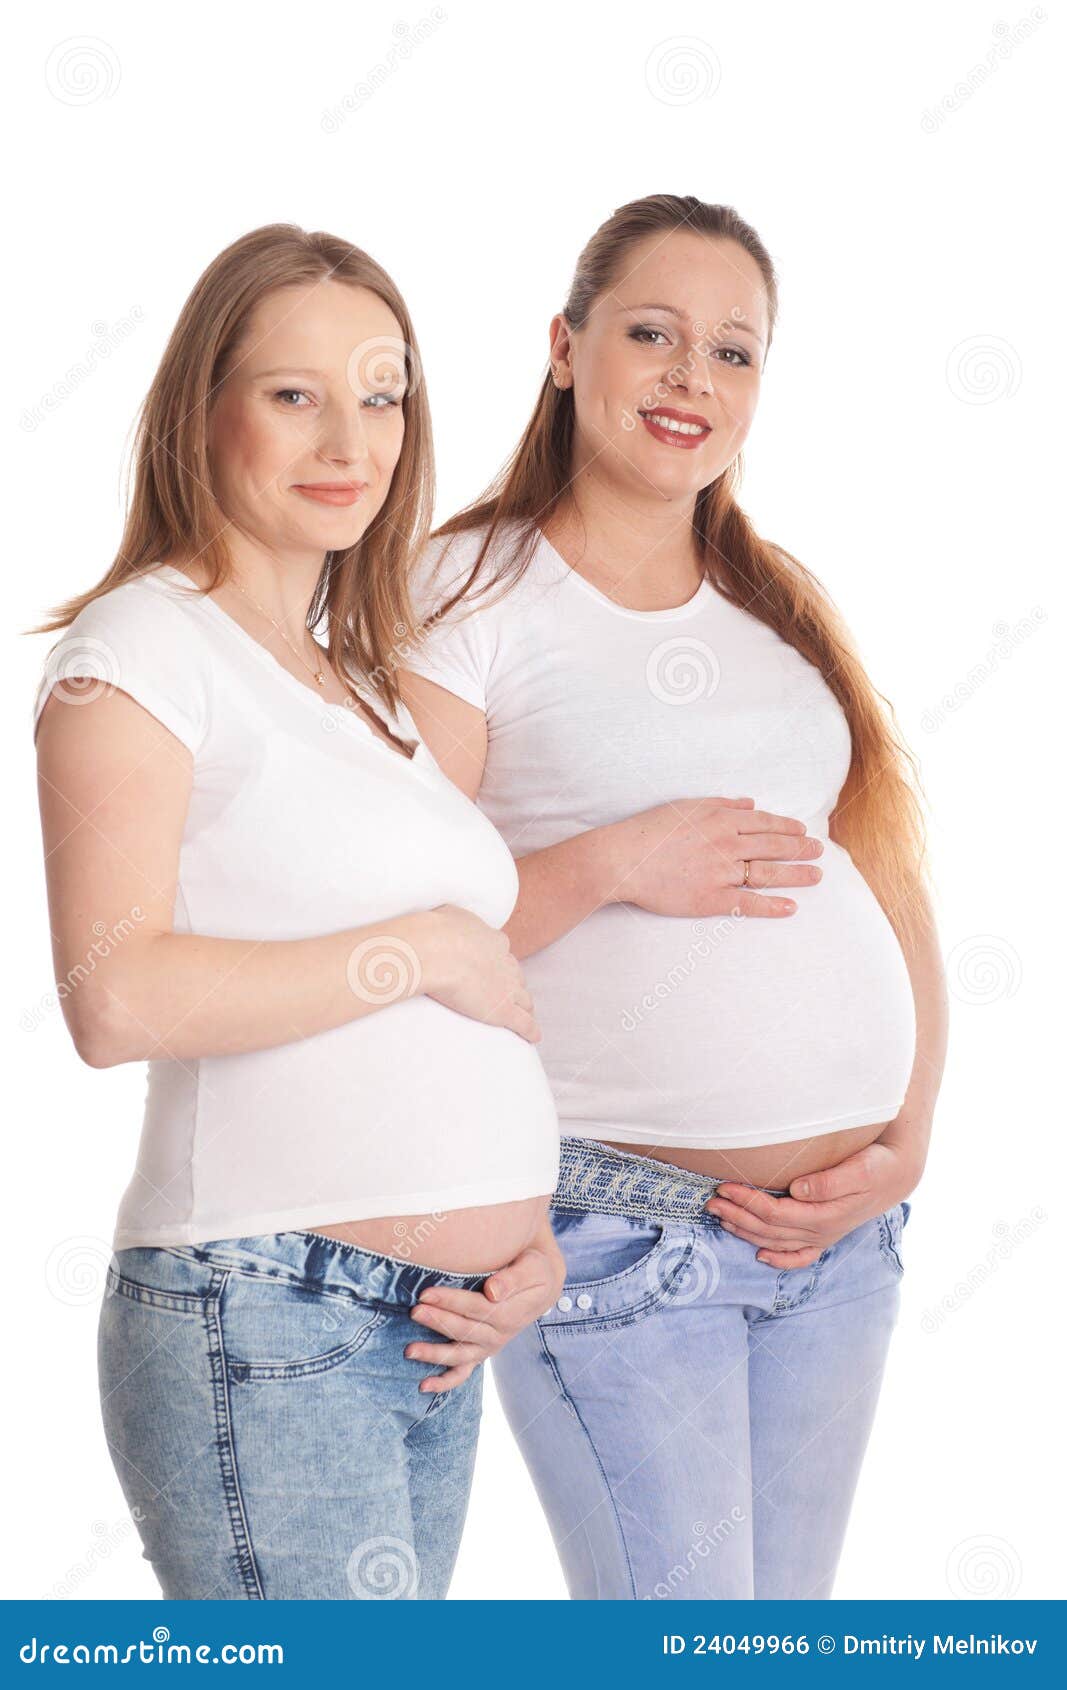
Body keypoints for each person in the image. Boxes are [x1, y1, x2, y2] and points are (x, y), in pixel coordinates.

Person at [398, 194, 949, 1599]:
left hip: (841, 1239)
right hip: (624, 1238)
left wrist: (908, 1137)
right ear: (567, 348)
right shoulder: (464, 590)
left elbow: (886, 878)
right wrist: (611, 862)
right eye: (653, 332)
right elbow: (399, 937)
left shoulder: (777, 601)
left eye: (734, 351)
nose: (692, 376)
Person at [31, 224, 563, 1601]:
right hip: (264, 1310)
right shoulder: (141, 647)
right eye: (293, 393)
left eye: (380, 395)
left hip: (430, 1334)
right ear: (201, 410)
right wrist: (427, 949)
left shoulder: (369, 687)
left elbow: (467, 1026)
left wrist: (523, 1237)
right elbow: (114, 993)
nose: (351, 438)